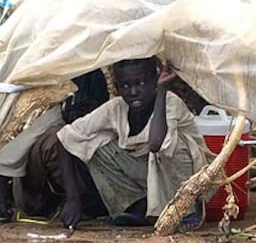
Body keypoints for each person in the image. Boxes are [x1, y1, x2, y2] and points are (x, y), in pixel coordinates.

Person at [57, 57, 215, 229]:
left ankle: (185, 210)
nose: (133, 92)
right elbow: (65, 138)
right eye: (125, 86)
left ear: (154, 81)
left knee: (170, 143)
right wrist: (72, 198)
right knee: (95, 144)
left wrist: (161, 91)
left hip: (186, 179)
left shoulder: (170, 102)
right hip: (148, 173)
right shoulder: (116, 107)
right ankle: (138, 206)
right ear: (117, 88)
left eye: (140, 83)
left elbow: (156, 144)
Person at [0, 69, 109, 221]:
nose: (80, 113)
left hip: (90, 192)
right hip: (37, 200)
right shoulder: (54, 119)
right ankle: (75, 202)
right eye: (76, 105)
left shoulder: (105, 118)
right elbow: (5, 160)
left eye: (88, 106)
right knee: (60, 138)